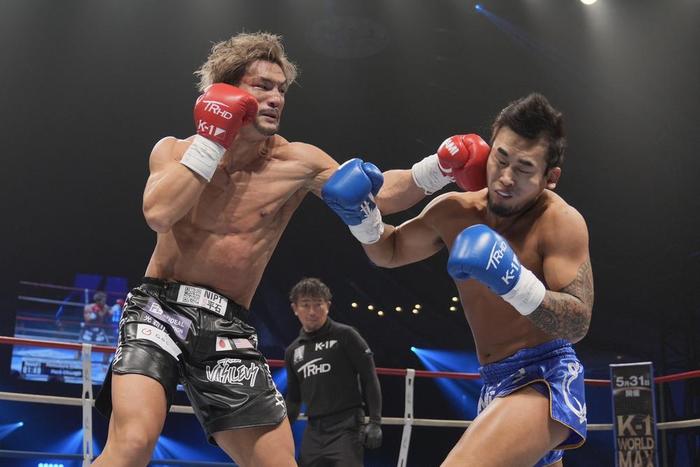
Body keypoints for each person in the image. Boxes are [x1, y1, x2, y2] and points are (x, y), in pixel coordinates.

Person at [92, 31, 447, 467]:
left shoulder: (296, 162)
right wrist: (212, 141)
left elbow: (380, 196)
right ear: (225, 90)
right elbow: (159, 213)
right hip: (158, 311)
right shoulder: (174, 150)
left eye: (281, 90)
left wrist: (440, 167)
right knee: (132, 444)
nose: (276, 98)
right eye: (262, 86)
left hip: (228, 324)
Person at [323, 93, 594, 467]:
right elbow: (391, 250)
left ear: (551, 178)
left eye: (524, 168)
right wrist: (362, 218)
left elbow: (578, 322)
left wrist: (514, 281)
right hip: (493, 380)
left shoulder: (560, 223)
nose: (506, 178)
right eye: (501, 159)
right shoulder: (454, 211)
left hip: (544, 377)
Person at [284, 278, 382, 467]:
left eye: (318, 304)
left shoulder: (346, 335)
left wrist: (375, 421)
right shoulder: (293, 351)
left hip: (347, 425)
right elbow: (294, 399)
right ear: (295, 308)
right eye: (305, 305)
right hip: (314, 429)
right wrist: (279, 431)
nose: (312, 312)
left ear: (327, 306)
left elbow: (369, 377)